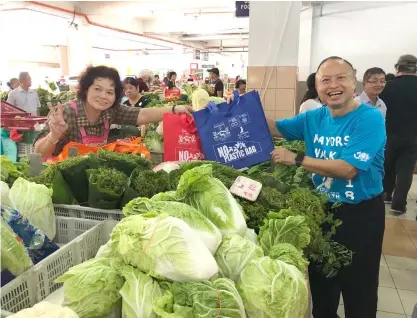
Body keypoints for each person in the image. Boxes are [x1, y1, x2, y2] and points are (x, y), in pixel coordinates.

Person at [230, 56, 386, 317]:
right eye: (325, 80)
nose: (333, 85)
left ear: (354, 81)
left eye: (340, 78)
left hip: (361, 215)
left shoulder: (369, 118)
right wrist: (241, 111)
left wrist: (298, 159)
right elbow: (275, 128)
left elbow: (349, 168)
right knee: (322, 284)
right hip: (320, 212)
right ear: (316, 85)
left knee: (359, 287)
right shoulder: (314, 117)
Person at [33, 66, 192, 158]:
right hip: (63, 179)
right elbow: (38, 154)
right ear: (85, 89)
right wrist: (53, 136)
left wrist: (174, 109)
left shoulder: (110, 111)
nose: (103, 96)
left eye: (110, 92)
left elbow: (141, 114)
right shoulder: (66, 112)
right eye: (97, 89)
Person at [379, 54, 417, 214]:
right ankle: (399, 204)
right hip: (413, 136)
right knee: (405, 169)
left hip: (389, 134)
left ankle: (386, 195)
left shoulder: (388, 87)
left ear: (397, 68)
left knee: (387, 165)